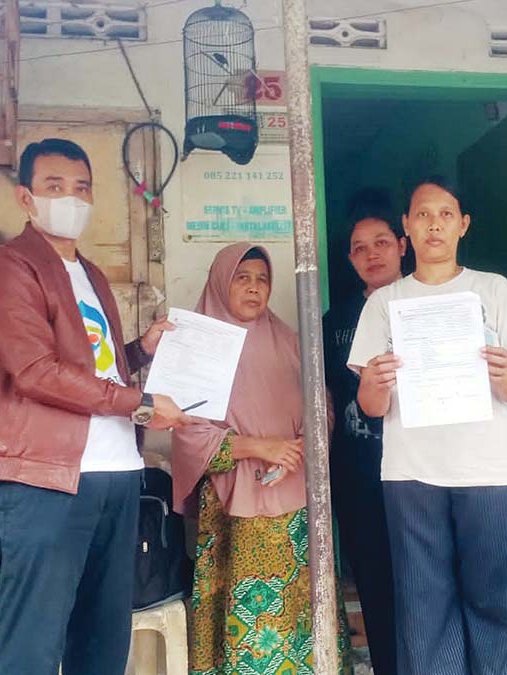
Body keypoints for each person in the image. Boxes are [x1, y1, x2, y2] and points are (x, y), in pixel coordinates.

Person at [0, 138, 189, 675]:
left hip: (117, 475)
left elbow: (92, 370)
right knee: (31, 650)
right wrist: (140, 405)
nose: (71, 198)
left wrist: (139, 352)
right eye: (54, 186)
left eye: (81, 188)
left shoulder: (89, 275)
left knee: (102, 642)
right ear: (25, 198)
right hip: (46, 479)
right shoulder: (8, 268)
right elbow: (36, 371)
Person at [348, 176, 507, 675]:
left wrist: (503, 373)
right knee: (424, 605)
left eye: (445, 214)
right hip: (412, 471)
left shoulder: (492, 290)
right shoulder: (384, 302)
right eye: (422, 214)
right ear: (407, 227)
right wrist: (376, 381)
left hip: (490, 468)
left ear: (463, 225)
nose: (434, 224)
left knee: (497, 599)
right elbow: (371, 405)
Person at [172, 243, 349, 675]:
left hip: (296, 507)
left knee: (303, 614)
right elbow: (186, 430)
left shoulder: (291, 342)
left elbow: (322, 406)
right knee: (246, 619)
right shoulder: (196, 348)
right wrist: (259, 447)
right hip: (234, 509)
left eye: (262, 279)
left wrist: (299, 448)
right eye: (242, 278)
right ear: (220, 283)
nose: (254, 288)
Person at [323, 197, 405, 675]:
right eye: (359, 247)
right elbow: (325, 398)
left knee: (426, 578)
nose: (372, 254)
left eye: (381, 242)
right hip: (359, 474)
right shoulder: (334, 322)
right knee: (374, 580)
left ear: (402, 245)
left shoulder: (426, 304)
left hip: (421, 469)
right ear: (350, 259)